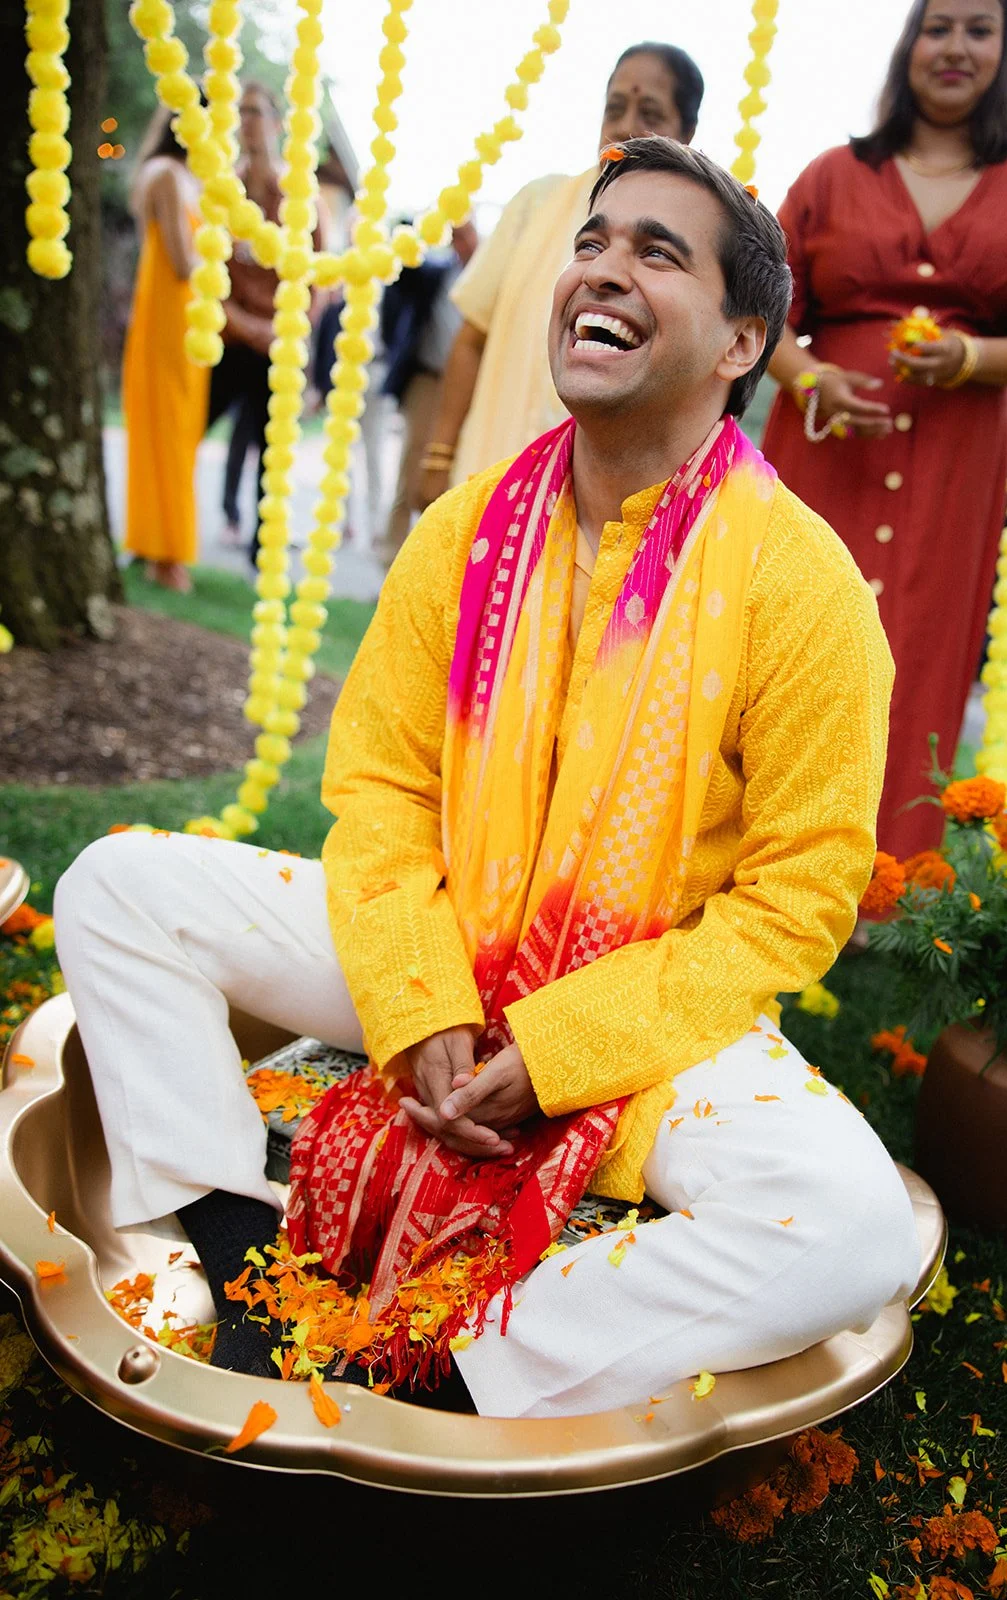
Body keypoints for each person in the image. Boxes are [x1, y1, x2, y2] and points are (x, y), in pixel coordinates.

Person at [55, 139, 920, 1420]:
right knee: (118, 883)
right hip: (445, 950)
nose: (600, 271)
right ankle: (238, 1251)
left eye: (654, 252)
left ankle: (460, 1366)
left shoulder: (803, 588)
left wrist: (562, 1046)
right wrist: (419, 1004)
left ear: (743, 343)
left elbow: (795, 899)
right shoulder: (465, 531)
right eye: (590, 240)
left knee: (855, 1224)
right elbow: (385, 791)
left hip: (649, 1011)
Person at [761, 0, 1007, 860]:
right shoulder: (830, 174)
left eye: (979, 27)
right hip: (824, 452)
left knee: (918, 653)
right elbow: (757, 309)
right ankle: (749, 860)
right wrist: (810, 375)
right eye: (938, 27)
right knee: (792, 643)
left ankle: (872, 890)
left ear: (1004, 48)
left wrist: (973, 358)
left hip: (954, 469)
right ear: (908, 44)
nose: (956, 47)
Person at [415, 42, 705, 508]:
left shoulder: (688, 242)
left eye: (649, 111)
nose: (626, 125)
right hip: (488, 472)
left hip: (602, 508)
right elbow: (472, 336)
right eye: (615, 108)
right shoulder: (537, 204)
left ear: (686, 133)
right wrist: (438, 455)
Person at [207, 82, 323, 563]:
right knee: (189, 426)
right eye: (240, 111)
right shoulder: (224, 193)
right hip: (229, 339)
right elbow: (207, 274)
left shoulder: (299, 199)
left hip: (276, 347)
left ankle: (262, 553)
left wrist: (281, 331)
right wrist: (238, 323)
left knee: (270, 453)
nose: (246, 119)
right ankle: (161, 539)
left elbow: (316, 281)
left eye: (256, 110)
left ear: (276, 124)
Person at [122, 102, 209, 595]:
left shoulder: (170, 173)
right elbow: (180, 261)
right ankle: (165, 554)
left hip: (180, 325)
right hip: (170, 324)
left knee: (171, 432)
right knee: (167, 434)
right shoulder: (170, 177)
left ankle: (158, 545)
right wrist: (228, 257)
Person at [375, 218, 479, 565]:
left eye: (466, 232)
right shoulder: (435, 272)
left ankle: (431, 567)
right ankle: (391, 562)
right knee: (411, 473)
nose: (461, 240)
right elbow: (402, 274)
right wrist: (421, 231)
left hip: (469, 388)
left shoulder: (486, 276)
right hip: (428, 382)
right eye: (456, 233)